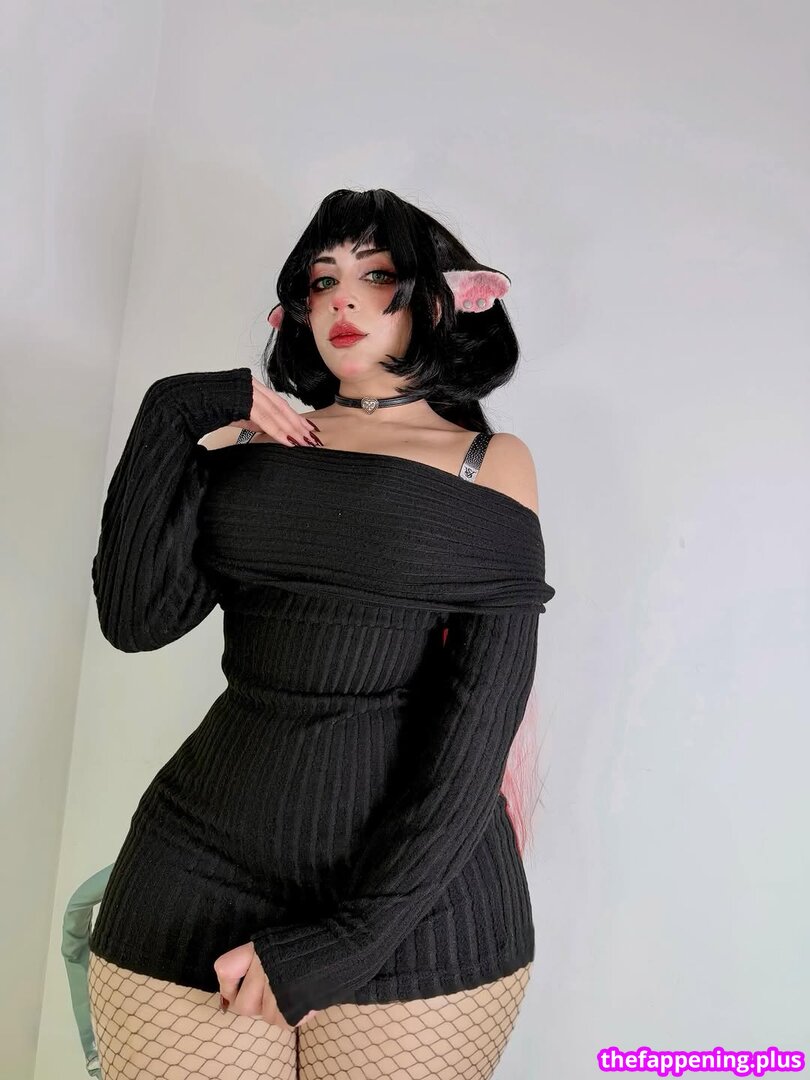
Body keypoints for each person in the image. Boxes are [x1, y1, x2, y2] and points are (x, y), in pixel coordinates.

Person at [85, 187, 555, 1079]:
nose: (343, 300)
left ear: (437, 300)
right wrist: (174, 412)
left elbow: (478, 728)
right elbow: (134, 619)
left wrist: (349, 940)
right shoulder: (249, 444)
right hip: (196, 863)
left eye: (376, 276)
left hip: (415, 900)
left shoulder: (488, 464)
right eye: (322, 280)